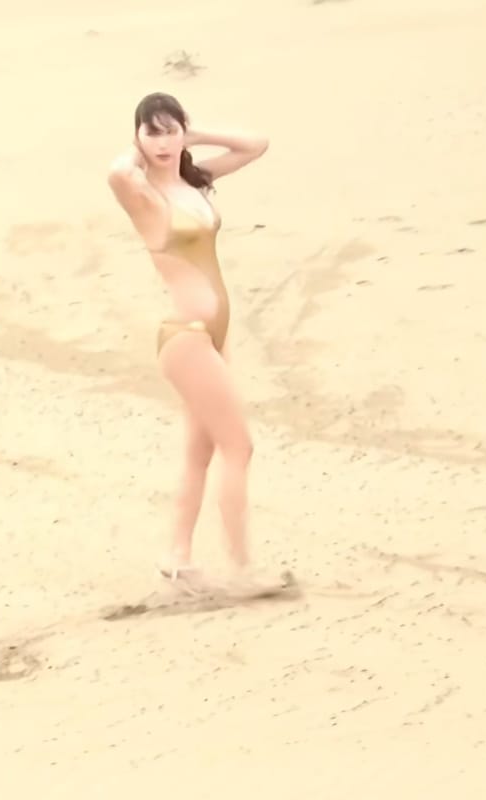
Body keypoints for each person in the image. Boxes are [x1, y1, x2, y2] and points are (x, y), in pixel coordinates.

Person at [106, 92, 289, 599]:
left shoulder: (194, 181)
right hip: (185, 337)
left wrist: (192, 135)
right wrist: (143, 149)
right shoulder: (144, 196)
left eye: (170, 130)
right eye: (151, 131)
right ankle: (243, 568)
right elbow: (117, 172)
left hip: (214, 336)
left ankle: (177, 560)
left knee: (199, 455)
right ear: (138, 137)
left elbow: (256, 144)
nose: (162, 142)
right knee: (239, 446)